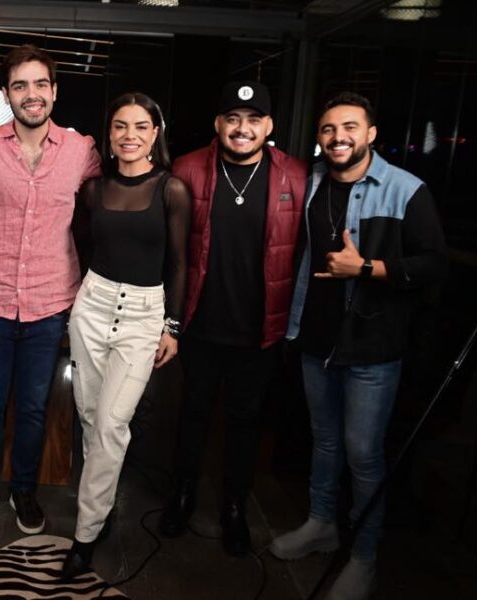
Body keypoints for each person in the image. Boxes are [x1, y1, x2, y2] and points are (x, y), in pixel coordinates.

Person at [270, 92, 447, 600]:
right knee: (323, 441)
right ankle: (321, 523)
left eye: (350, 127)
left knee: (364, 454)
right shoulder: (311, 184)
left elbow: (435, 264)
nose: (338, 137)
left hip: (372, 347)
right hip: (316, 339)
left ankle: (364, 557)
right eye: (328, 129)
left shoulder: (405, 190)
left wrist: (367, 268)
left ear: (370, 134)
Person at [0, 44, 101, 534]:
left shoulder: (81, 151)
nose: (31, 95)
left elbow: (122, 186)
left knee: (34, 407)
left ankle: (25, 490)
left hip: (50, 301)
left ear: (54, 91)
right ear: (7, 94)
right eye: (20, 86)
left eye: (40, 84)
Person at [158, 81, 306, 556]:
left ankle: (235, 508)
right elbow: (169, 252)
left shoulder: (294, 177)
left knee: (245, 422)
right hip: (200, 325)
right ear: (218, 124)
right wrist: (169, 321)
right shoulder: (187, 169)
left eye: (253, 119)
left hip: (258, 330)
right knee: (192, 414)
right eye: (233, 119)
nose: (243, 128)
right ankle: (182, 496)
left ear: (269, 126)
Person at [59, 92, 190, 580]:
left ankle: (85, 533)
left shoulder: (172, 189)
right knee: (90, 417)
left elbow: (179, 263)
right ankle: (103, 501)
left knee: (112, 423)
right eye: (120, 126)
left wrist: (172, 326)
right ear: (109, 135)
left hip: (142, 315)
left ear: (155, 133)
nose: (129, 135)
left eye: (140, 126)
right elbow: (81, 246)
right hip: (92, 307)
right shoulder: (93, 190)